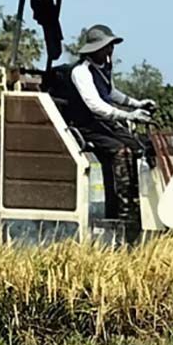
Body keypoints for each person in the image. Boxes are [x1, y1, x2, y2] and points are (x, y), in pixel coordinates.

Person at [65, 24, 157, 236]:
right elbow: (95, 104)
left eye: (111, 46)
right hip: (87, 125)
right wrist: (127, 115)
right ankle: (122, 214)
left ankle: (140, 205)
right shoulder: (81, 72)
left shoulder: (104, 68)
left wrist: (137, 104)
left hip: (105, 123)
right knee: (121, 151)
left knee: (140, 146)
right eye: (107, 47)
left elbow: (111, 93)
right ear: (94, 49)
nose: (110, 51)